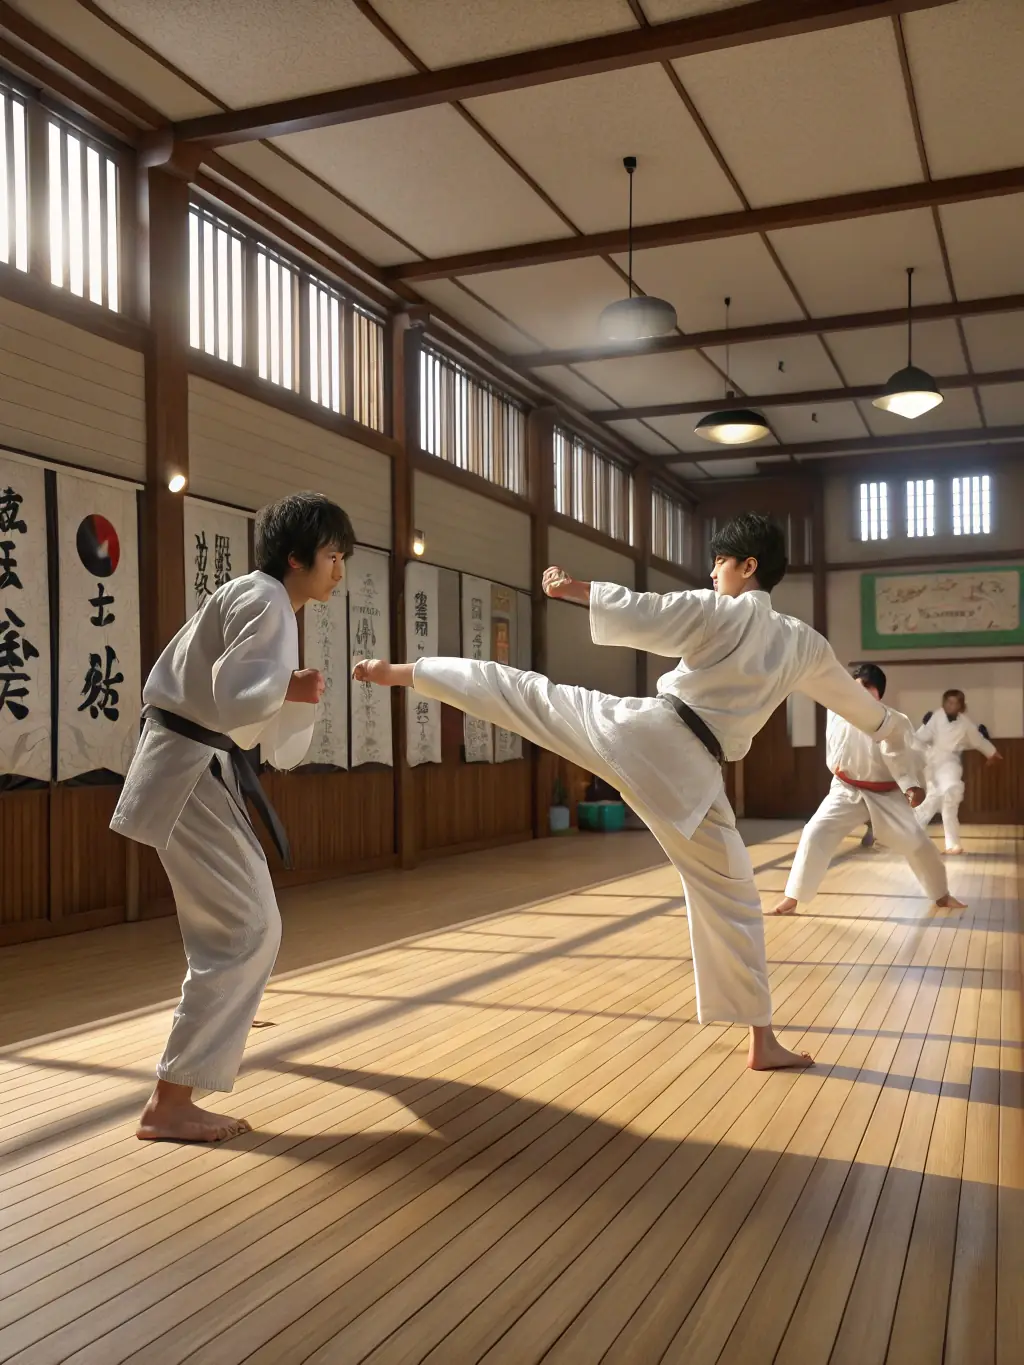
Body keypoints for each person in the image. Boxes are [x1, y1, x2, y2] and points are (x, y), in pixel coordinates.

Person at [353, 514, 920, 1073]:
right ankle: (762, 1040)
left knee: (526, 694)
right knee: (735, 900)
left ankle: (407, 673)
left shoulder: (715, 610)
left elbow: (650, 611)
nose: (714, 572)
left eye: (721, 561)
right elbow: (864, 710)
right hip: (694, 777)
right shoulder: (805, 644)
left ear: (749, 566)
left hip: (639, 733)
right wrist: (899, 740)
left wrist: (576, 589)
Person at [111, 491, 354, 1143]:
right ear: (297, 557)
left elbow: (245, 711)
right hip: (189, 769)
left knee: (235, 929)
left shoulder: (262, 599)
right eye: (333, 556)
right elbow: (233, 694)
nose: (340, 571)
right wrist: (289, 688)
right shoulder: (264, 597)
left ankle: (178, 1090)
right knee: (246, 929)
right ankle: (170, 1103)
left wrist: (289, 693)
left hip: (190, 767)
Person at [772, 663, 964, 916]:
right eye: (857, 685)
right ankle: (792, 897)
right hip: (846, 789)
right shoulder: (835, 709)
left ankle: (941, 895)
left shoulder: (895, 720)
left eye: (868, 686)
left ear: (878, 694)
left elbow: (899, 754)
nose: (861, 690)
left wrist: (910, 786)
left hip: (887, 795)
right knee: (815, 832)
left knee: (918, 843)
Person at [914, 688, 1002, 854]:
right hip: (934, 764)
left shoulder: (965, 723)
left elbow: (978, 739)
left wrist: (992, 753)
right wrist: (922, 726)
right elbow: (921, 737)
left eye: (955, 703)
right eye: (948, 702)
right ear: (944, 703)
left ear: (961, 706)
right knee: (932, 801)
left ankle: (953, 844)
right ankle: (911, 836)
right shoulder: (937, 716)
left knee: (950, 801)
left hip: (951, 764)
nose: (951, 706)